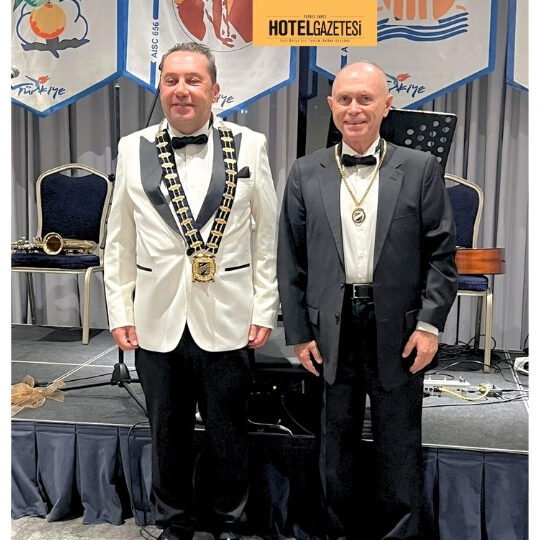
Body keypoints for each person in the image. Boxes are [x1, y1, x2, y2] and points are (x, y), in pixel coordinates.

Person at [104, 42, 279, 540]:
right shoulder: (132, 147)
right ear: (160, 88)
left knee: (230, 430)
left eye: (193, 80)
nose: (181, 90)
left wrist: (264, 306)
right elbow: (119, 239)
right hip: (156, 314)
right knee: (167, 432)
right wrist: (120, 309)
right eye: (171, 80)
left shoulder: (250, 144)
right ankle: (174, 522)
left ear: (215, 90)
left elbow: (266, 237)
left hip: (228, 312)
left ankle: (230, 521)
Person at [277, 61, 458, 539]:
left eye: (365, 98)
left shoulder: (420, 168)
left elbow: (442, 256)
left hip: (399, 328)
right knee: (333, 445)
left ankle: (400, 534)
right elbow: (290, 259)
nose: (354, 109)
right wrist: (298, 333)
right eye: (344, 99)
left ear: (386, 104)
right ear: (331, 105)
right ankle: (337, 532)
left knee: (399, 442)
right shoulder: (305, 171)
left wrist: (429, 326)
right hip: (329, 329)